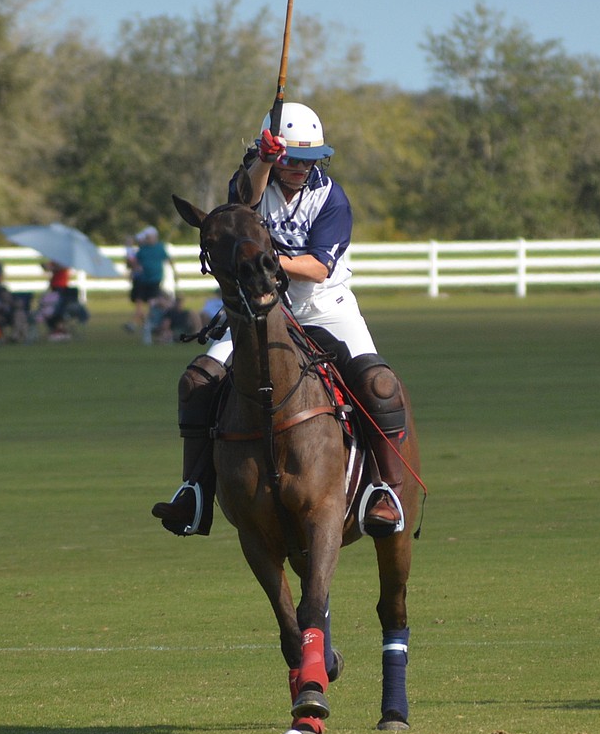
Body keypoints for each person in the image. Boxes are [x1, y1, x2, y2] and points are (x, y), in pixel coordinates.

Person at [152, 101, 409, 538]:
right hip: (260, 305)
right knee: (198, 382)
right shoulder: (256, 183)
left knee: (379, 385)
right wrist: (264, 162)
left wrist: (266, 259)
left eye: (310, 160)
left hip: (323, 306)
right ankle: (193, 491)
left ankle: (385, 491)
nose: (301, 170)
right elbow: (244, 197)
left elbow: (318, 267)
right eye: (293, 160)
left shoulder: (331, 197)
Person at [127, 226, 175, 341]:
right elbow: (134, 262)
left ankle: (167, 311)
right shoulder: (143, 249)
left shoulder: (159, 247)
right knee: (140, 302)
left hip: (154, 280)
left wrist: (175, 274)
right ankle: (140, 323)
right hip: (143, 280)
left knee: (153, 303)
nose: (147, 239)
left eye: (149, 237)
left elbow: (168, 259)